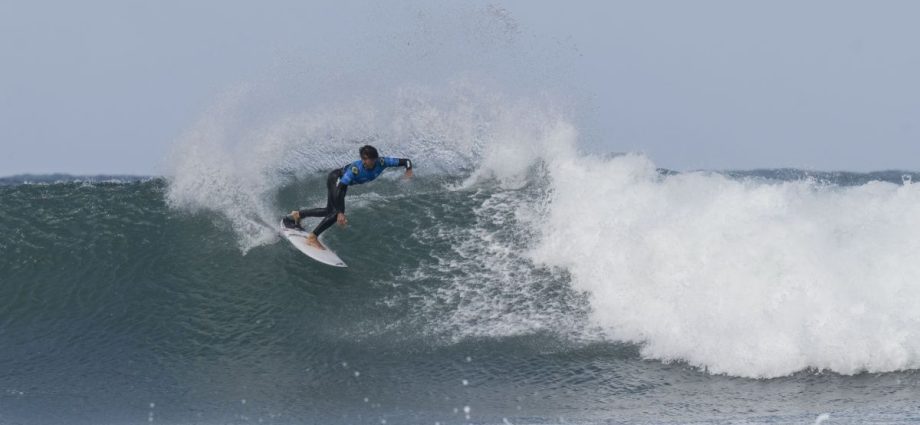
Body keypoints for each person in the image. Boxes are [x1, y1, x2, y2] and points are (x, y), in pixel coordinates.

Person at [282, 145, 413, 250]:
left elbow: (406, 161)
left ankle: (298, 215)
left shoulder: (382, 162)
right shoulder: (356, 169)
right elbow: (341, 188)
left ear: (375, 158)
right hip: (337, 180)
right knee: (335, 213)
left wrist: (408, 169)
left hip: (341, 184)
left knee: (329, 211)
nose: (365, 162)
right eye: (363, 159)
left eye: (368, 159)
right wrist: (340, 212)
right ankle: (312, 237)